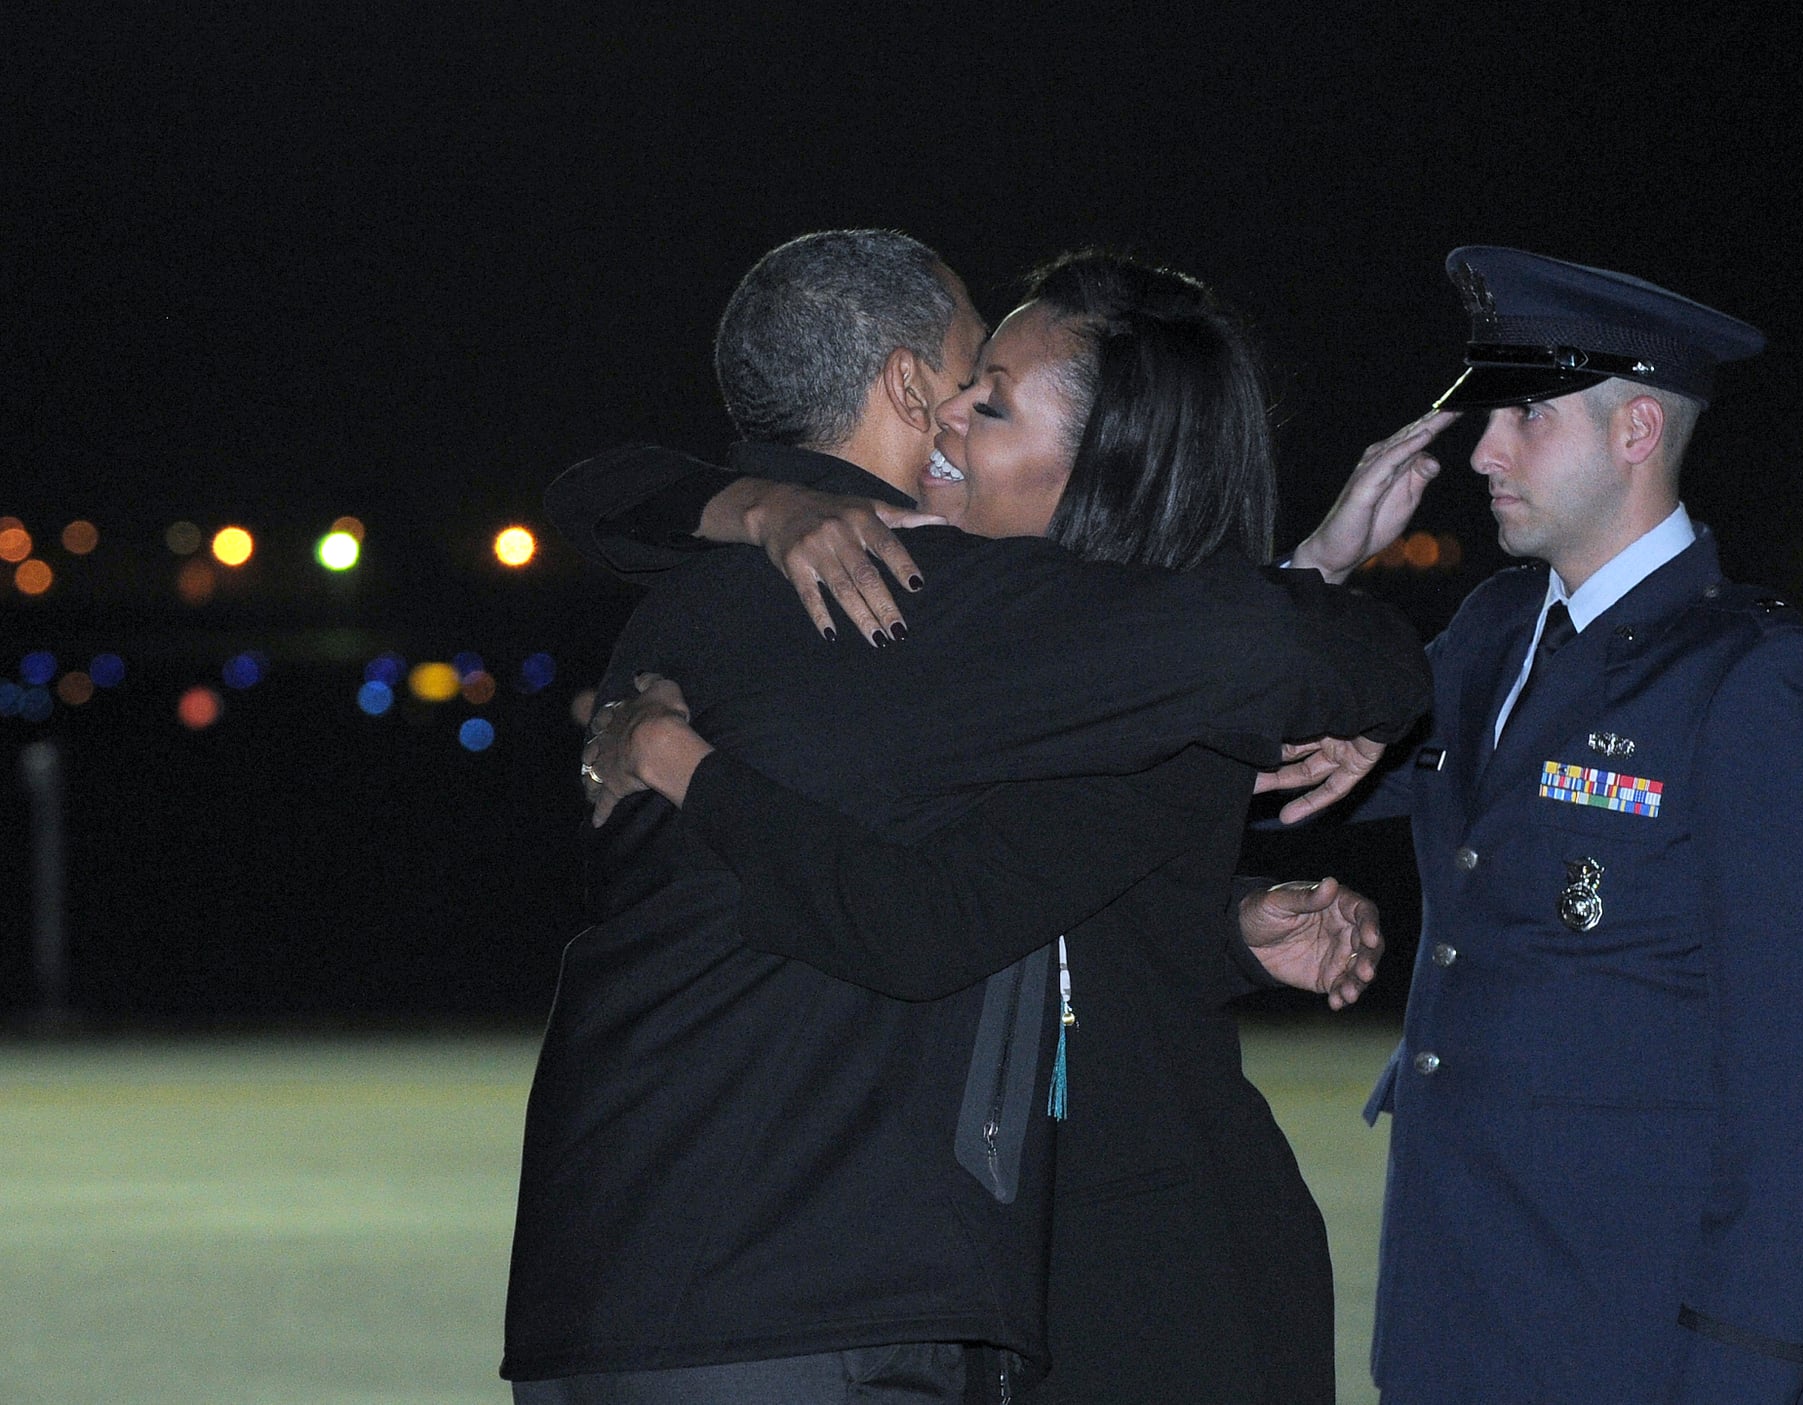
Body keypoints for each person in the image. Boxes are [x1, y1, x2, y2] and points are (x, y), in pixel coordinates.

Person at [503, 233, 1431, 1403]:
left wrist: (1226, 919)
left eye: (990, 406)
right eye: (966, 382)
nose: (954, 419)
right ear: (903, 384)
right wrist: (1325, 608)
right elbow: (929, 916)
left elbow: (1015, 887)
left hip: (647, 1277)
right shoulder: (938, 601)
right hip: (806, 1291)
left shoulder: (698, 587)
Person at [1290, 246, 1803, 1404]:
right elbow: (1274, 770)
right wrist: (1317, 568)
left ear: (1633, 434)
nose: (1483, 450)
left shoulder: (1750, 682)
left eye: (1525, 415)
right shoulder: (1490, 631)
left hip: (1625, 1336)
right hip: (1450, 1313)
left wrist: (1741, 1367)